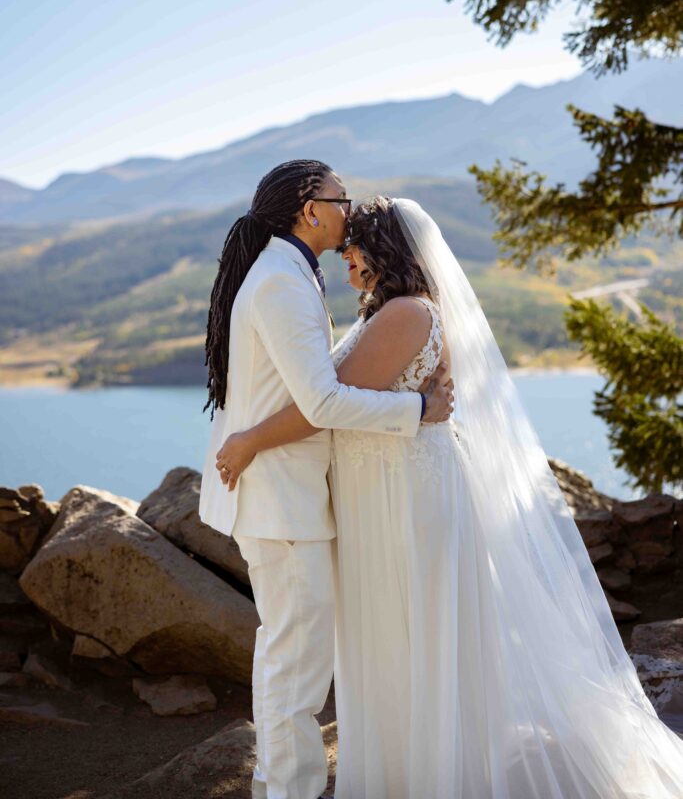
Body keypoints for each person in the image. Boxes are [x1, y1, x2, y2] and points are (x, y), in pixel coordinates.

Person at [217, 195, 683, 798]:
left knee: (409, 645)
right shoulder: (393, 313)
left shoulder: (406, 314)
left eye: (354, 245)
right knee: (399, 647)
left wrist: (247, 441)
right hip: (387, 495)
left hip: (401, 504)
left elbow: (321, 410)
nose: (345, 257)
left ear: (383, 248)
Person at [198, 164, 453, 799]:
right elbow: (322, 404)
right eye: (341, 200)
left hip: (288, 497)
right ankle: (288, 791)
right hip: (281, 500)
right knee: (298, 669)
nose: (349, 212)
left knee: (290, 662)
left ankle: (274, 785)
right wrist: (416, 411)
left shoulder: (286, 274)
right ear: (312, 210)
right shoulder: (282, 282)